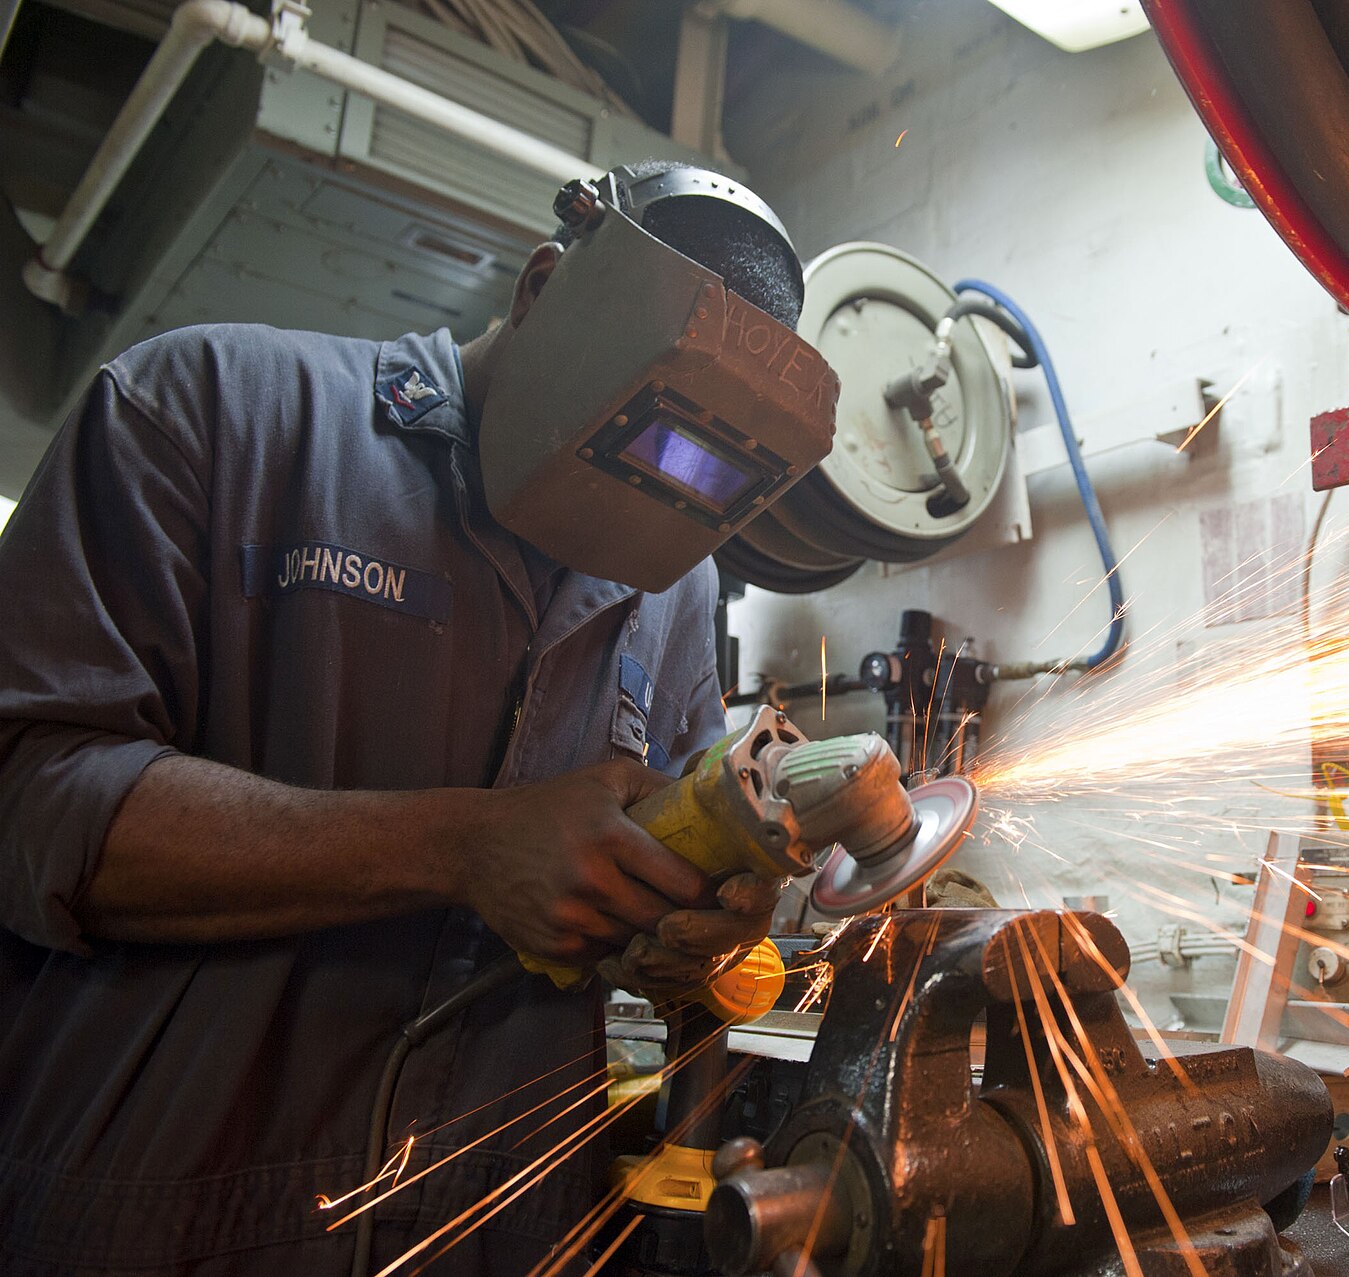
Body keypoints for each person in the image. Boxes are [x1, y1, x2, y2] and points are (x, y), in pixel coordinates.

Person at [0, 161, 831, 1275]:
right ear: (541, 288)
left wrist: (686, 932)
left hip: (493, 1238)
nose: (646, 515)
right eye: (632, 436)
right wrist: (463, 846)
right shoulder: (208, 409)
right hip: (157, 1219)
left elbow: (635, 909)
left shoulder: (676, 585)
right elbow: (27, 795)